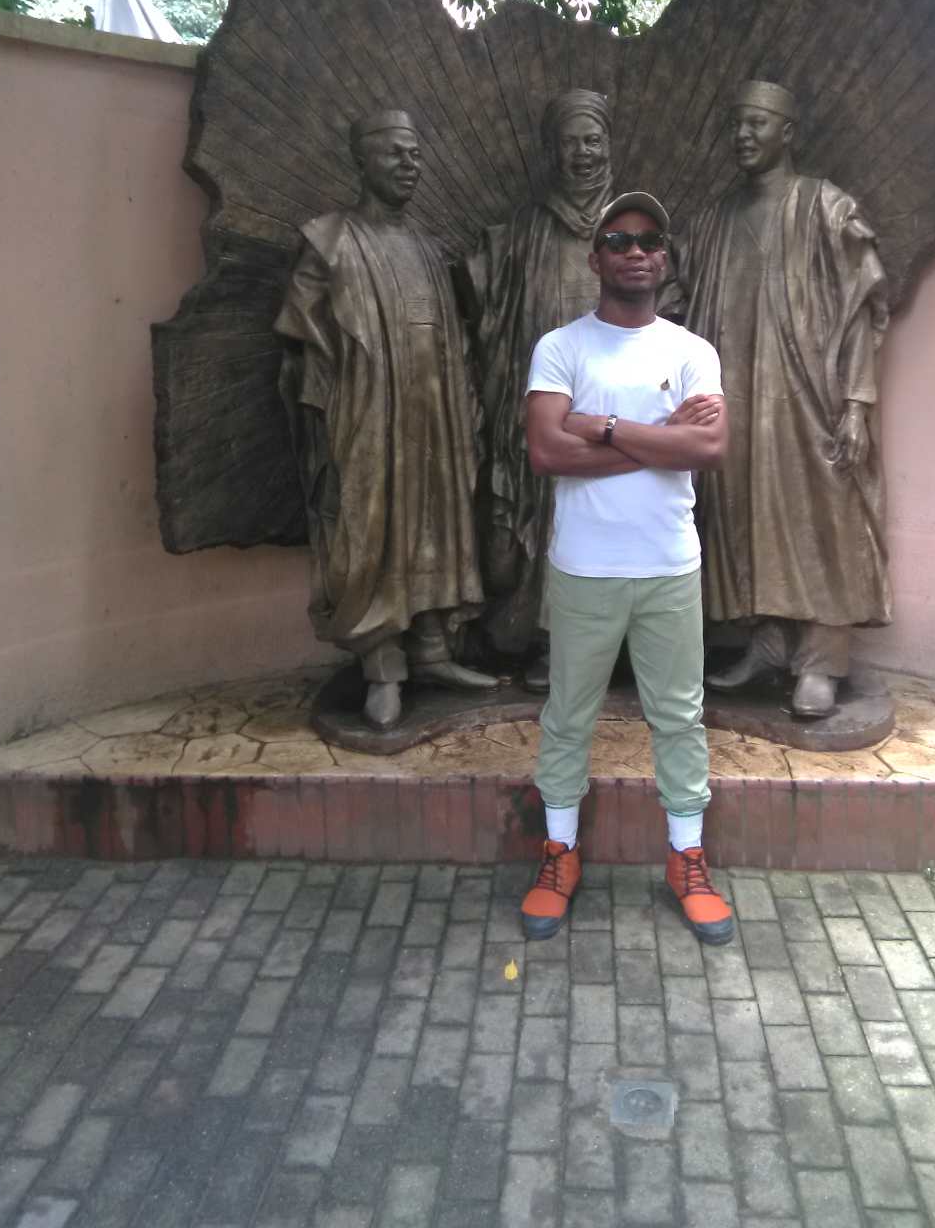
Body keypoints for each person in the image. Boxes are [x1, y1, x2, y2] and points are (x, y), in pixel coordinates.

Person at [518, 192, 735, 945]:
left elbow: (709, 448)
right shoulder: (561, 348)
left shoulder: (691, 351)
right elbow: (546, 451)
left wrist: (605, 427)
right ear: (596, 258)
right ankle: (559, 852)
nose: (635, 252)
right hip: (584, 567)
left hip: (669, 565)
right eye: (618, 240)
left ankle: (687, 857)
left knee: (679, 717)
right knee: (568, 716)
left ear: (664, 258)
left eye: (649, 240)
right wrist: (658, 437)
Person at [274, 110, 495, 731]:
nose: (409, 164)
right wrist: (333, 402)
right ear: (362, 160)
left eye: (416, 154)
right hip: (367, 413)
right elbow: (302, 336)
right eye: (396, 153)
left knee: (436, 524)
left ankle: (432, 650)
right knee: (370, 530)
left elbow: (451, 333)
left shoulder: (427, 248)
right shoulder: (329, 241)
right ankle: (382, 665)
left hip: (435, 414)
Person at [682, 81, 892, 718]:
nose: (743, 135)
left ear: (788, 132)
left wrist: (856, 404)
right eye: (736, 124)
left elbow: (860, 314)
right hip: (737, 397)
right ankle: (768, 644)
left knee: (824, 518)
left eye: (757, 123)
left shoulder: (827, 208)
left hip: (810, 397)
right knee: (745, 516)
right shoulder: (714, 221)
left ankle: (822, 661)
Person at [457, 89, 613, 679]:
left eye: (592, 140)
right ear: (552, 151)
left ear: (609, 145)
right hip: (546, 405)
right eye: (570, 143)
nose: (582, 154)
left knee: (609, 517)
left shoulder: (631, 227)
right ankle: (552, 640)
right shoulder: (525, 230)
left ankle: (614, 642)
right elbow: (492, 307)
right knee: (547, 522)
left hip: (616, 408)